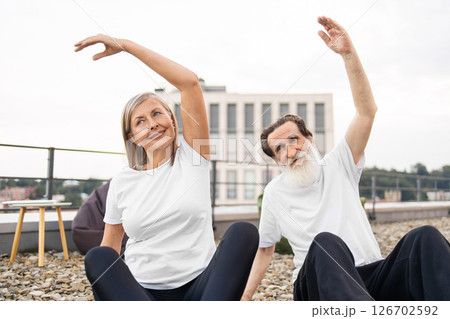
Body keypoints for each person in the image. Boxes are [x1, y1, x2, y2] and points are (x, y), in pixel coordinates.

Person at [241, 16, 450, 301]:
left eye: (294, 140)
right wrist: (243, 300)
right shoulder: (275, 194)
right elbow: (265, 250)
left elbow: (366, 111)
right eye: (278, 149)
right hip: (317, 283)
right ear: (276, 160)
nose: (289, 151)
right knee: (326, 242)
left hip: (370, 278)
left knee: (425, 238)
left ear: (309, 140)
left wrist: (348, 55)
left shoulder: (339, 163)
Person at [74, 34, 258, 301]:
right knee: (98, 257)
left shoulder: (194, 156)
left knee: (244, 232)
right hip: (143, 293)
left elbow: (189, 83)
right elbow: (111, 245)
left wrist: (125, 45)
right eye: (140, 121)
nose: (152, 123)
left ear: (173, 120)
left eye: (157, 113)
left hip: (202, 289)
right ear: (131, 137)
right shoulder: (123, 182)